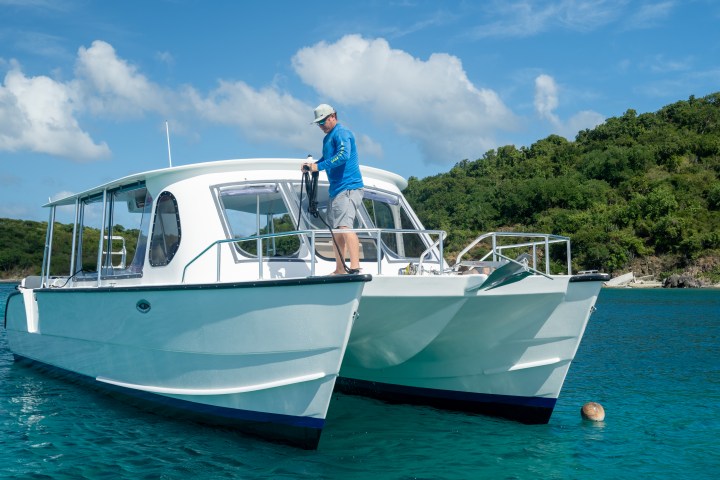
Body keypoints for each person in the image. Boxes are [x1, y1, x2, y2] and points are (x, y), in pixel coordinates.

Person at [302, 104, 364, 274]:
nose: (321, 126)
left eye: (323, 121)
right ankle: (339, 269)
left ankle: (355, 266)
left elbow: (343, 156)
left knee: (345, 227)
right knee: (336, 232)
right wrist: (312, 166)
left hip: (349, 187)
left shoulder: (342, 133)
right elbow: (327, 157)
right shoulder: (327, 138)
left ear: (333, 116)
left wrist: (318, 167)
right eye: (318, 123)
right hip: (336, 190)